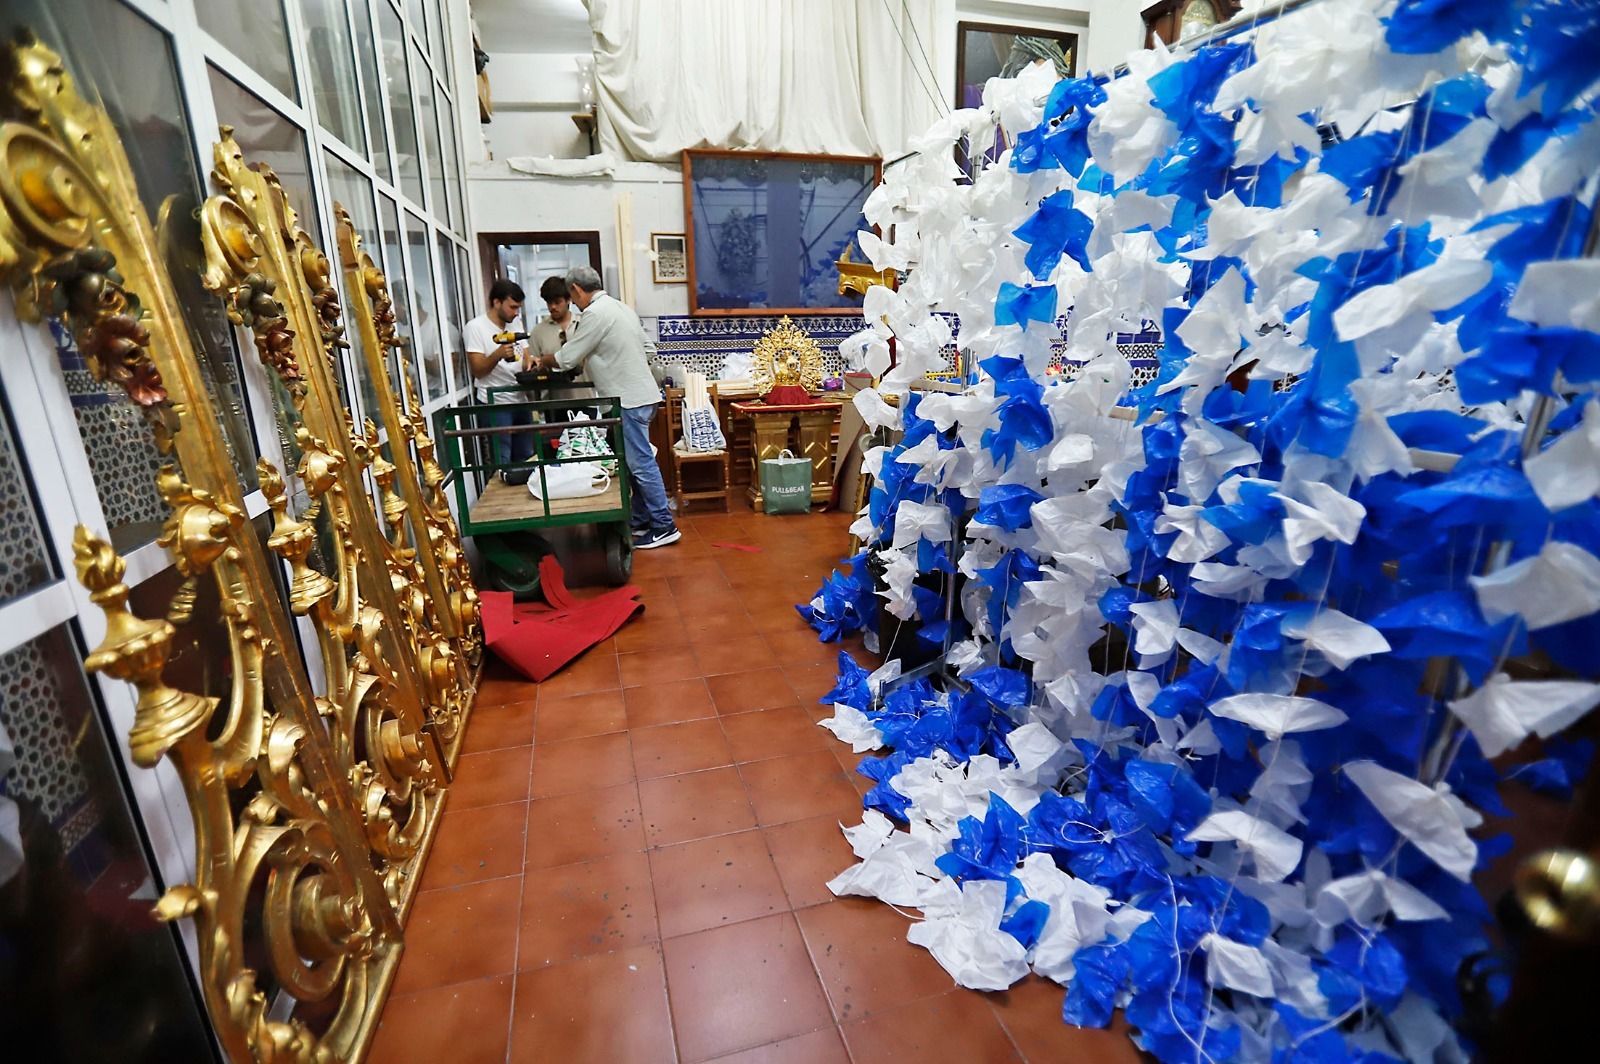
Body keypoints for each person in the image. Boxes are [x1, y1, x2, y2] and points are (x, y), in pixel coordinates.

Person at [538, 265, 679, 549]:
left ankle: (664, 525)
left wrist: (543, 360)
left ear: (576, 290)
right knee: (633, 462)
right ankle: (641, 518)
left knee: (641, 463)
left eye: (571, 296)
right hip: (643, 395)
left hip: (627, 399)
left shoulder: (594, 314)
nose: (573, 302)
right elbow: (650, 350)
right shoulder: (621, 308)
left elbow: (567, 359)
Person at [464, 279, 533, 467]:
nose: (516, 312)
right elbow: (478, 370)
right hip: (495, 404)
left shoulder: (515, 323)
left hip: (520, 400)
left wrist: (532, 363)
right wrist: (497, 355)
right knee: (500, 461)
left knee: (527, 457)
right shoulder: (475, 327)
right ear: (496, 302)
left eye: (518, 308)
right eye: (512, 307)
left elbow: (526, 356)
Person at [530, 275, 580, 365]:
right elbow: (533, 363)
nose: (553, 307)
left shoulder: (583, 323)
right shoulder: (538, 332)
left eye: (557, 302)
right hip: (552, 378)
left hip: (584, 378)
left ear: (568, 299)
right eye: (549, 303)